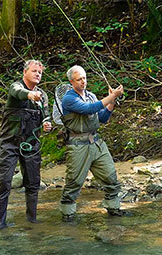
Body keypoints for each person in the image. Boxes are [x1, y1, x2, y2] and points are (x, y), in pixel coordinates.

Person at [59, 65, 129, 222]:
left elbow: (102, 118)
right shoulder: (69, 99)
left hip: (97, 143)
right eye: (79, 79)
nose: (83, 81)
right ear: (71, 81)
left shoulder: (91, 95)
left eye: (84, 78)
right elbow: (89, 109)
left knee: (111, 177)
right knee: (74, 183)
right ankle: (67, 214)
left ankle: (113, 208)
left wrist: (112, 101)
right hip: (77, 145)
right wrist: (111, 97)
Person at [0, 60, 52, 229]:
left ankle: (32, 221)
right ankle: (1, 224)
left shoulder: (43, 95)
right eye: (34, 71)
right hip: (10, 144)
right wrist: (29, 95)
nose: (38, 74)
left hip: (31, 144)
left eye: (40, 73)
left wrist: (47, 125)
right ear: (25, 73)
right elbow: (18, 93)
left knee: (33, 183)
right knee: (4, 182)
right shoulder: (16, 87)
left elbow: (46, 117)